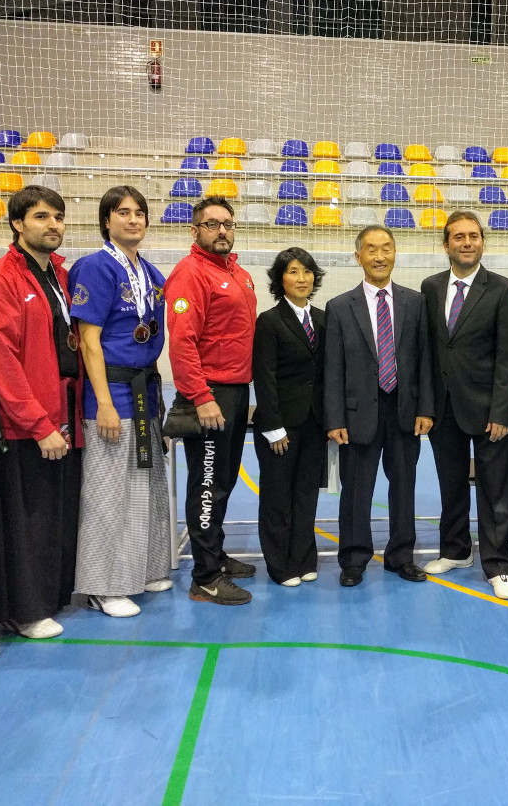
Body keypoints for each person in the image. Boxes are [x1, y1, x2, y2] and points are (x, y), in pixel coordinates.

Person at [0, 185, 81, 640]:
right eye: (41, 217)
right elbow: (1, 362)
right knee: (28, 519)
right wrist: (37, 424)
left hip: (65, 412)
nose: (53, 225)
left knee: (57, 513)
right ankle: (23, 609)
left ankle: (51, 596)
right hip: (26, 425)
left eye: (58, 216)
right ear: (17, 224)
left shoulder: (60, 274)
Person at [68, 186, 172, 618]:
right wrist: (104, 403)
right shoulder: (94, 268)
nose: (133, 220)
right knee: (108, 491)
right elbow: (88, 341)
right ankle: (102, 586)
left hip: (145, 391)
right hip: (110, 392)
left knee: (146, 486)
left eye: (139, 213)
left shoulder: (153, 274)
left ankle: (143, 569)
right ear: (106, 221)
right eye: (123, 212)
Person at [325, 225, 434, 587]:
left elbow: (424, 360)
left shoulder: (415, 302)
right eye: (371, 249)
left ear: (395, 253)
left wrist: (426, 408)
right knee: (357, 490)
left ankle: (401, 556)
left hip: (404, 411)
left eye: (386, 248)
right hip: (358, 413)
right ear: (358, 257)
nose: (379, 256)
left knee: (404, 487)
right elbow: (333, 369)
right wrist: (335, 418)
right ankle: (353, 558)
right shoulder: (340, 307)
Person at [421, 210, 508, 599]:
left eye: (473, 236)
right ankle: (455, 551)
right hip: (444, 407)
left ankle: (497, 565)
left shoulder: (502, 289)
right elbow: (430, 351)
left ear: (483, 242)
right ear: (445, 244)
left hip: (487, 409)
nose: (467, 242)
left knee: (495, 491)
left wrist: (501, 412)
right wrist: (427, 406)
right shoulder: (430, 287)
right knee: (451, 485)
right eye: (459, 236)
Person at [164, 195, 257, 606]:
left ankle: (214, 555)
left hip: (236, 391)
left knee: (224, 481)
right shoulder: (190, 273)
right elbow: (182, 343)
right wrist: (201, 397)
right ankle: (204, 578)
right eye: (212, 224)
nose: (222, 230)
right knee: (207, 486)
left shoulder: (237, 273)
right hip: (209, 394)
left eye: (227, 224)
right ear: (195, 230)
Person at [252, 247, 327, 587]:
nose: (302, 278)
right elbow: (264, 377)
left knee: (306, 494)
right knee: (277, 497)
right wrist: (273, 427)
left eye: (307, 271)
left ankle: (304, 559)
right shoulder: (269, 321)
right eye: (293, 271)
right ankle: (280, 565)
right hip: (280, 427)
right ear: (280, 279)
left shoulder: (323, 319)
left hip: (314, 424)